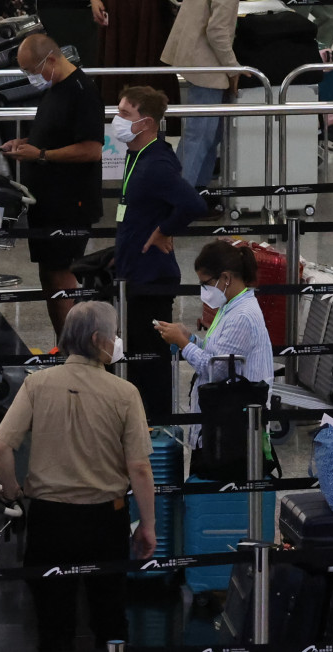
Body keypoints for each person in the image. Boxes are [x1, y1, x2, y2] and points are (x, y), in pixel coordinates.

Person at [0, 299, 155, 652]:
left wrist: (12, 491)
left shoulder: (37, 385)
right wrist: (148, 525)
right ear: (98, 339)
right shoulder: (125, 394)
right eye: (114, 335)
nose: (117, 341)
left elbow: (1, 447)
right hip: (105, 520)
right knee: (110, 617)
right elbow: (139, 467)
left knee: (53, 622)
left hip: (50, 519)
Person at [0, 32, 107, 336]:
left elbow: (91, 148)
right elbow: (52, 132)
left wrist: (42, 154)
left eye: (31, 70)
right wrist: (24, 143)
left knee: (61, 274)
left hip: (70, 202)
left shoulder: (82, 91)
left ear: (50, 59)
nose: (30, 77)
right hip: (46, 200)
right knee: (48, 273)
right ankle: (63, 343)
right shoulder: (53, 89)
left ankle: (74, 346)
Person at [109, 85, 205, 420]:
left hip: (151, 280)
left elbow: (193, 204)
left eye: (124, 114)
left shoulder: (157, 164)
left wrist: (165, 230)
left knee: (150, 364)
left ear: (146, 122)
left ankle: (159, 427)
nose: (116, 120)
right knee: (136, 359)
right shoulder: (138, 156)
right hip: (133, 270)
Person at [162, 0, 257, 192]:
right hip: (206, 64)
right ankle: (180, 198)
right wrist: (233, 69)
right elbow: (217, 32)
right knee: (199, 136)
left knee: (209, 134)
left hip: (192, 58)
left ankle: (197, 191)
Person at [154, 238, 275, 454]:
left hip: (235, 428)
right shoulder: (230, 306)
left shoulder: (242, 316)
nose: (203, 290)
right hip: (225, 421)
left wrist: (182, 343)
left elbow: (215, 368)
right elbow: (217, 353)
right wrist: (190, 338)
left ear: (226, 278)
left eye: (205, 283)